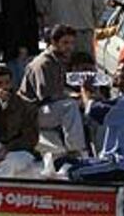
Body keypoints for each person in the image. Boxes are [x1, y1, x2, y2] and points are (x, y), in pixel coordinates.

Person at [19, 24, 86, 156]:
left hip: (45, 109)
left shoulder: (59, 60)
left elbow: (59, 88)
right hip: (32, 113)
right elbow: (47, 96)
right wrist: (74, 98)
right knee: (70, 107)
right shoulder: (43, 63)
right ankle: (76, 151)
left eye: (72, 43)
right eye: (65, 43)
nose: (70, 47)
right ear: (54, 42)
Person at [64, 58, 124, 182]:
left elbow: (93, 111)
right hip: (115, 161)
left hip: (120, 164)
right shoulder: (123, 99)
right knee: (68, 163)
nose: (115, 74)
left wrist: (85, 90)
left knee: (72, 173)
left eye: (120, 71)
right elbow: (109, 105)